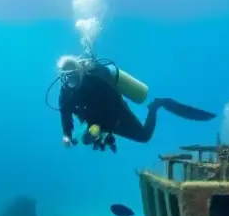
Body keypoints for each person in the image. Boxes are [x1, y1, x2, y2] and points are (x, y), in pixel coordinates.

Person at [57, 55, 216, 152]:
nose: (70, 81)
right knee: (87, 140)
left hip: (117, 114)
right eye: (66, 77)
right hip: (95, 121)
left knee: (144, 136)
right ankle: (101, 134)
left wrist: (103, 128)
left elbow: (115, 105)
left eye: (73, 76)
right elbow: (65, 113)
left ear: (80, 72)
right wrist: (67, 135)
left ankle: (156, 105)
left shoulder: (97, 81)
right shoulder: (65, 91)